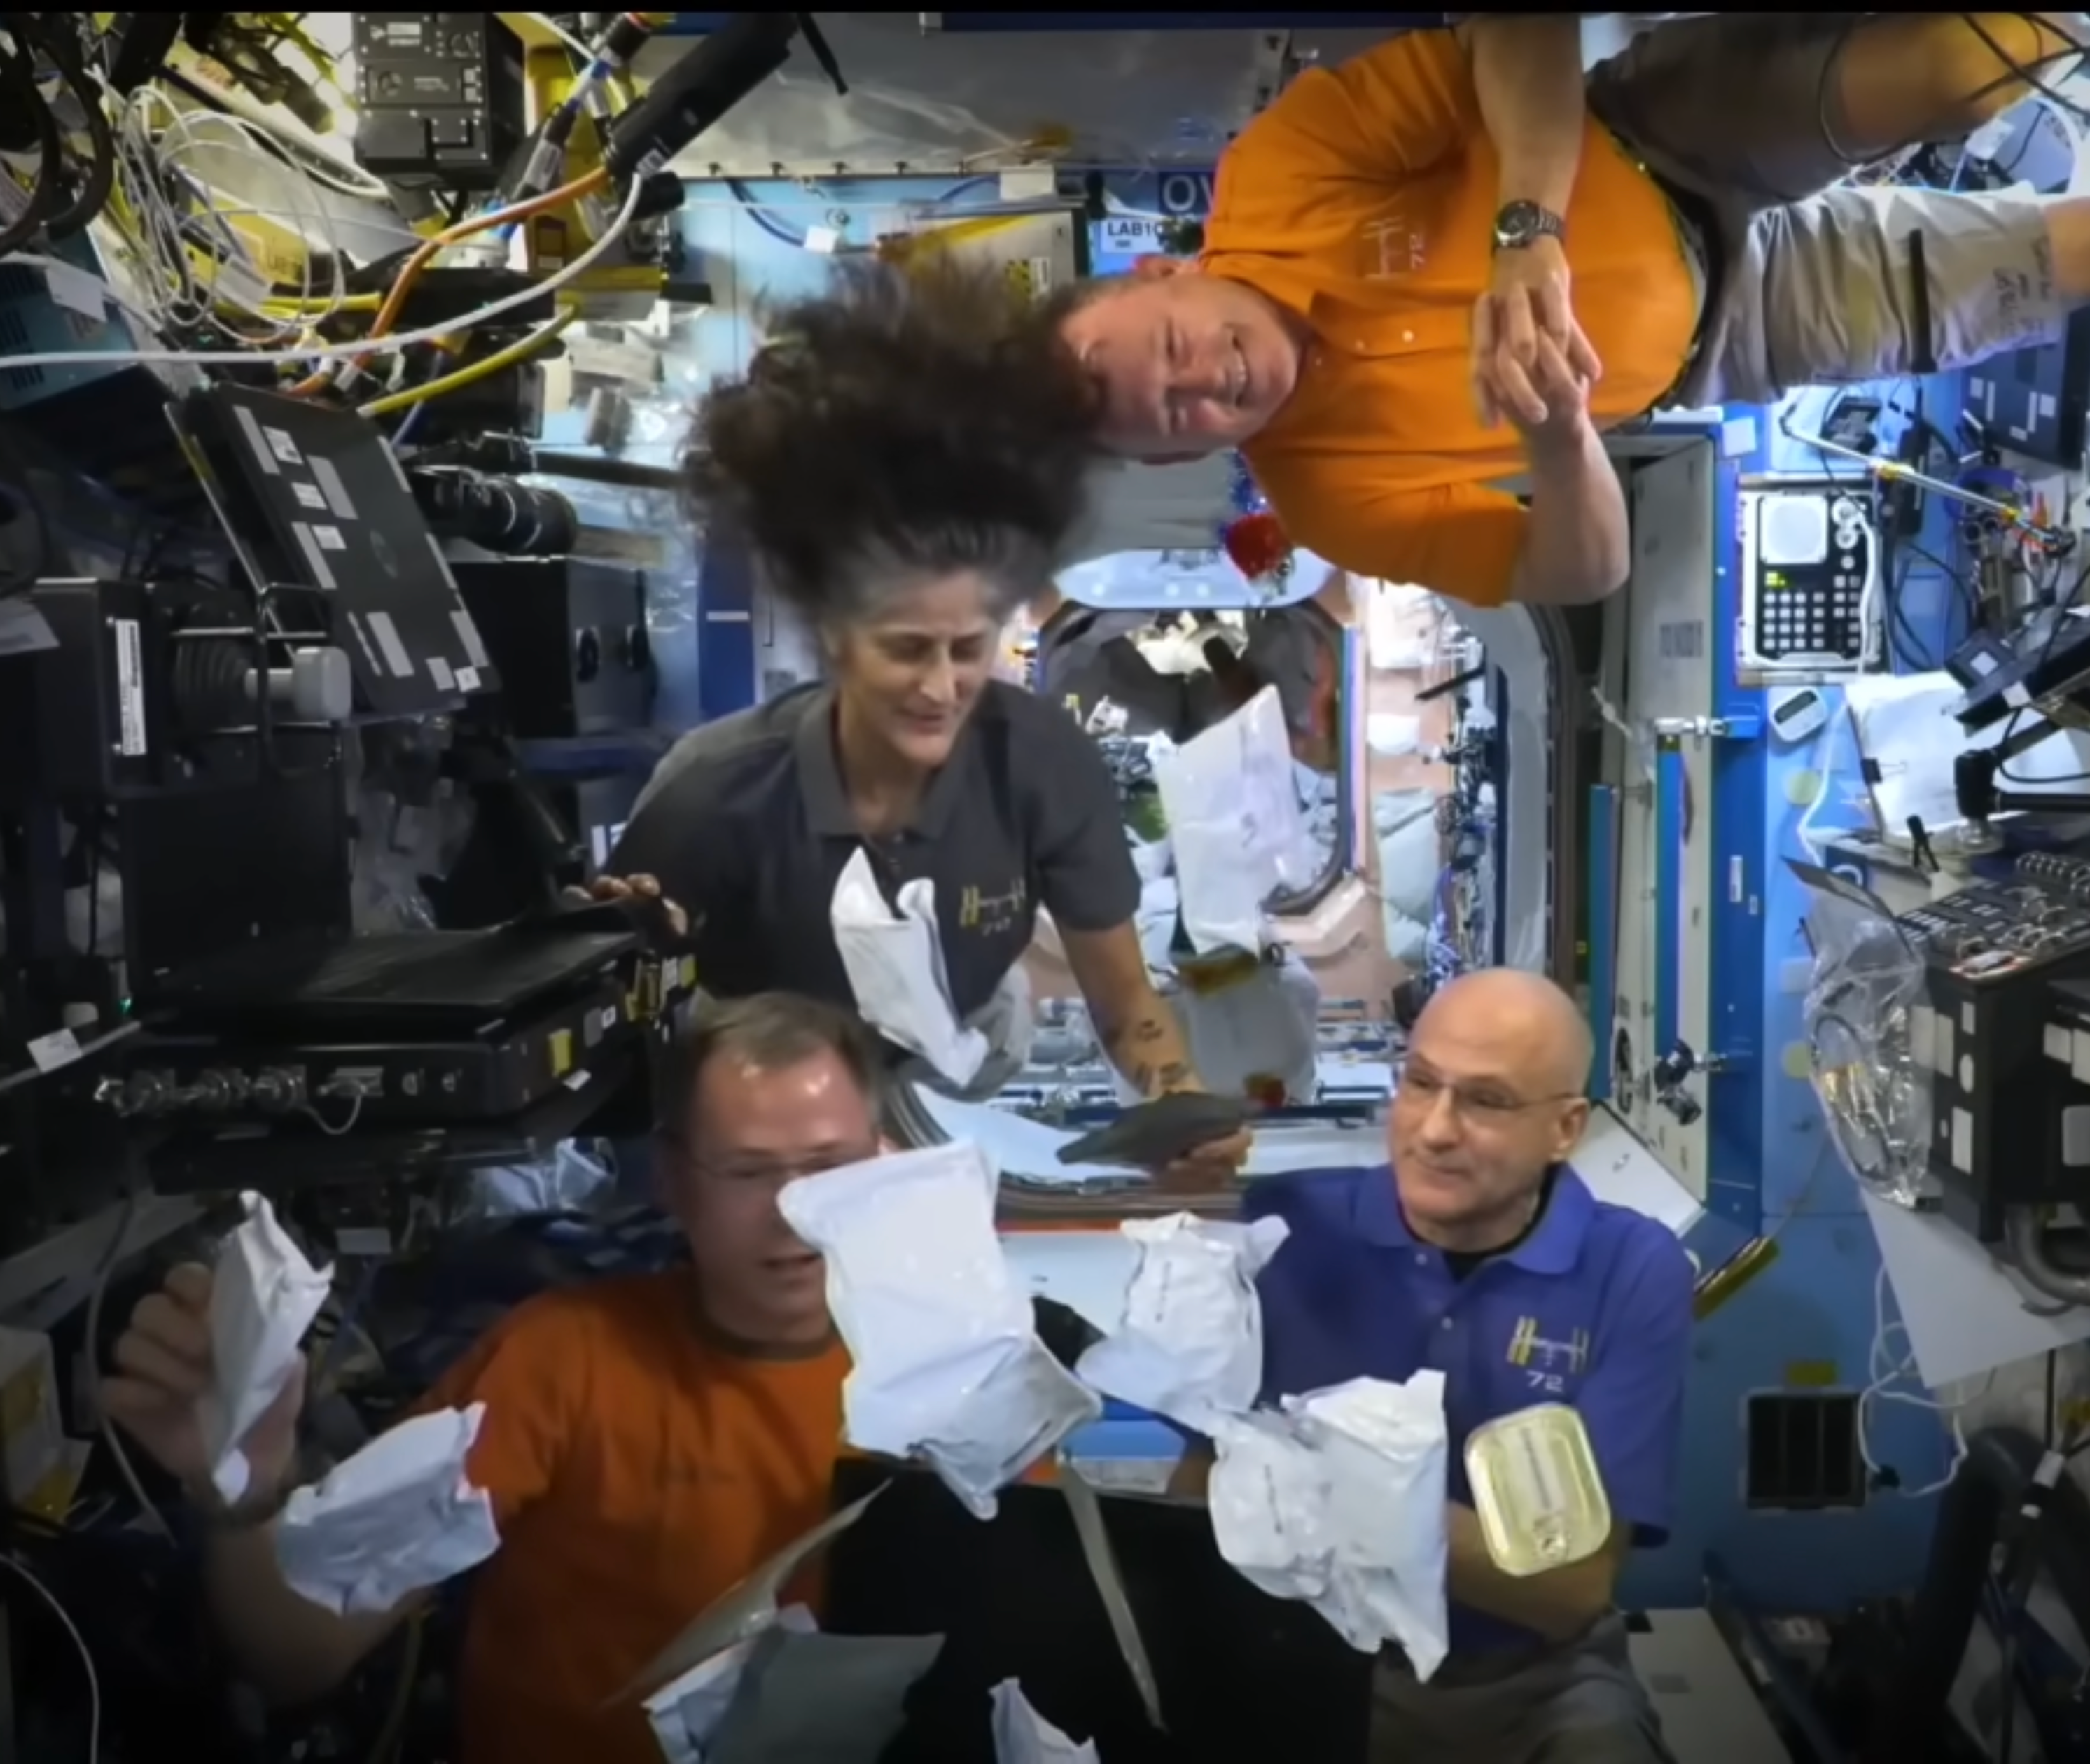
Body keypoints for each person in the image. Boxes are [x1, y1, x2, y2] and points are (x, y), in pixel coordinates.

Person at [1049, 15, 2090, 611]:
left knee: (1983, 61)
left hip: (1657, 140)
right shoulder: (1329, 501)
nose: (1214, 383)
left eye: (1174, 349)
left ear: (1162, 276)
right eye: (1179, 419)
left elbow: (1517, 29)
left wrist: (1529, 231)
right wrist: (1558, 443)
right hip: (1737, 325)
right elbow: (1579, 575)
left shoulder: (1281, 174)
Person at [97, 995, 905, 1764]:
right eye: (749, 1172)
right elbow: (299, 1654)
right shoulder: (560, 1364)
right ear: (674, 1181)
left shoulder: (964, 1382)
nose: (796, 1209)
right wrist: (245, 1492)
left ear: (885, 1163)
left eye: (828, 1166)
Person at [585, 264, 1250, 1186]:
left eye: (968, 649)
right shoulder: (715, 798)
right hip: (763, 1113)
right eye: (907, 651)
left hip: (949, 1068)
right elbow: (623, 1042)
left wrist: (1175, 1099)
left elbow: (1124, 998)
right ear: (835, 640)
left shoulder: (1040, 761)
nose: (942, 689)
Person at [1242, 968, 1694, 1763]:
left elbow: (1568, 1589)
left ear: (1566, 1129)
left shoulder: (1632, 1268)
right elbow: (1196, 1495)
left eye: (1485, 1101)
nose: (1434, 1129)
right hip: (1302, 1658)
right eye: (1420, 1083)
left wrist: (1318, 1491)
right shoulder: (1284, 1232)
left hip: (1531, 1681)